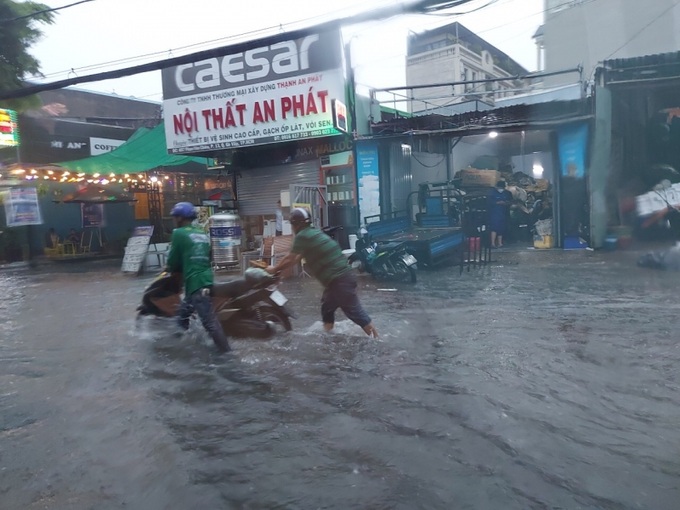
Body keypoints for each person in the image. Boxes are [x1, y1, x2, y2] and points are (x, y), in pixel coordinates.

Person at [266, 208, 378, 338]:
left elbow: (291, 258)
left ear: (296, 225)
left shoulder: (302, 236)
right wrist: (279, 271)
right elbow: (296, 258)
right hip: (339, 280)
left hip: (339, 280)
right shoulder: (313, 233)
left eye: (292, 225)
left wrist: (274, 269)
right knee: (327, 308)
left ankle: (377, 340)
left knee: (355, 313)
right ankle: (329, 336)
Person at [165, 202, 231, 352]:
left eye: (175, 217)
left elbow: (173, 260)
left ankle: (227, 354)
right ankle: (180, 345)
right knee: (182, 314)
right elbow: (210, 255)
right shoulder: (202, 233)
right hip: (205, 279)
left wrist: (169, 268)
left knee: (210, 323)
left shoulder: (178, 233)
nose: (174, 219)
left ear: (180, 218)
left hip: (196, 282)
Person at [488, 180, 513, 248]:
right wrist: (498, 203)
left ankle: (500, 243)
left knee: (501, 228)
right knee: (494, 228)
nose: (501, 189)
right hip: (495, 213)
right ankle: (493, 243)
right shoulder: (492, 193)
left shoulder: (507, 193)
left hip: (503, 213)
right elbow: (489, 202)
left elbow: (510, 202)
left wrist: (505, 203)